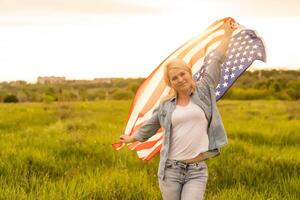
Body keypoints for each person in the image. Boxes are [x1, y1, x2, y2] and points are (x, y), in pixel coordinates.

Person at [119, 19, 235, 200]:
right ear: (170, 82)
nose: (180, 79)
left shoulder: (204, 90)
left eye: (182, 74)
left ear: (189, 73)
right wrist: (133, 138)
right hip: (171, 170)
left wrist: (227, 35)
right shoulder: (166, 105)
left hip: (197, 170)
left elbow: (216, 61)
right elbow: (151, 125)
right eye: (174, 78)